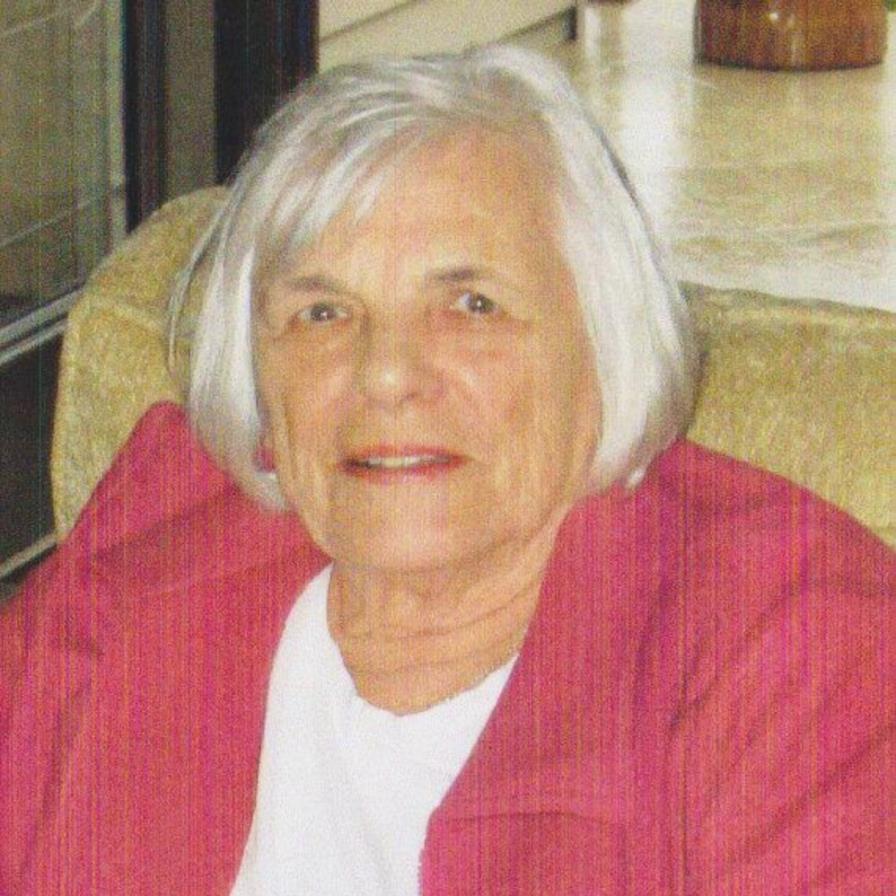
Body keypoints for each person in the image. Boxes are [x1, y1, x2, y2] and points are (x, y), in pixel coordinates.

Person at [1, 46, 894, 896]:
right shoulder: (133, 582)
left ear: (607, 346)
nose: (386, 375)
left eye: (472, 305)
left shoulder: (795, 648)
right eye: (323, 312)